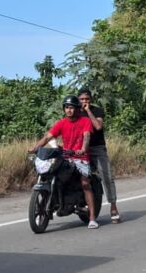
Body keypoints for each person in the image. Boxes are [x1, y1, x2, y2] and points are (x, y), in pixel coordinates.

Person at [30, 95, 99, 228]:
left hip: (80, 157)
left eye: (72, 108)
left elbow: (86, 136)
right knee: (52, 172)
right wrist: (35, 148)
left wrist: (83, 149)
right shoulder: (61, 123)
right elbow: (47, 137)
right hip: (66, 156)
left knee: (85, 183)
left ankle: (91, 218)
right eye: (67, 108)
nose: (69, 110)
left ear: (77, 109)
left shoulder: (85, 121)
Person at [78, 88, 120, 224]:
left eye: (87, 99)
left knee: (106, 176)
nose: (84, 102)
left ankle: (113, 207)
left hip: (97, 148)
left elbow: (97, 127)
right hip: (80, 149)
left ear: (91, 100)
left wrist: (88, 111)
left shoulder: (97, 111)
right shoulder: (75, 112)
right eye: (82, 99)